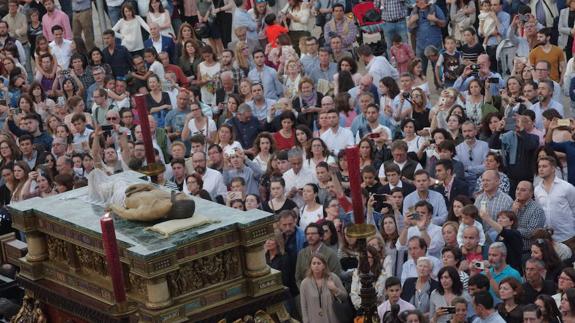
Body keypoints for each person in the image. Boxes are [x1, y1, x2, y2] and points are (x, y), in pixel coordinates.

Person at [534, 156, 575, 249]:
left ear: (553, 168)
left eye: (544, 166)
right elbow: (540, 212)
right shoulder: (537, 189)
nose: (541, 169)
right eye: (539, 166)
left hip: (567, 236)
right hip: (547, 238)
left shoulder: (567, 187)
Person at [300, 253, 348, 323]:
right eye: (314, 263)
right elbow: (304, 306)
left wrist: (335, 289)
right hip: (314, 320)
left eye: (319, 263)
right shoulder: (305, 283)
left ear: (324, 265)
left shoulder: (333, 277)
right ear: (310, 266)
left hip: (333, 319)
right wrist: (305, 321)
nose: (316, 266)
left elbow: (345, 297)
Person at [294, 223, 342, 288]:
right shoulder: (301, 253)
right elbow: (298, 277)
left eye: (313, 233)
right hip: (305, 292)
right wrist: (304, 291)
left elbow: (336, 278)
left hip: (326, 293)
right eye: (308, 234)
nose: (310, 236)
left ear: (321, 236)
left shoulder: (331, 254)